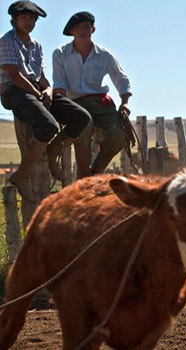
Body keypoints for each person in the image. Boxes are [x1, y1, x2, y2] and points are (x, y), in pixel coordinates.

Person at [0, 1, 91, 202]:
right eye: (23, 17)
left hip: (35, 90)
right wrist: (37, 92)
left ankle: (53, 152)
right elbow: (14, 75)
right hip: (13, 90)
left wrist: (48, 91)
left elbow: (41, 77)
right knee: (48, 126)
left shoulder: (36, 45)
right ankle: (22, 174)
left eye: (32, 18)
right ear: (14, 20)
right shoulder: (6, 41)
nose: (28, 22)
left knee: (81, 117)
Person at [53, 11, 132, 178]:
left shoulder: (104, 55)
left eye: (85, 27)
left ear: (93, 29)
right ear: (72, 32)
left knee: (118, 134)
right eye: (77, 28)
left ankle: (96, 171)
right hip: (75, 102)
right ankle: (84, 174)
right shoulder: (60, 54)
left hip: (100, 102)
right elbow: (59, 85)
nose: (82, 31)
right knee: (83, 126)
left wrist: (124, 102)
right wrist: (61, 109)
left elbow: (121, 79)